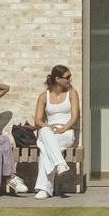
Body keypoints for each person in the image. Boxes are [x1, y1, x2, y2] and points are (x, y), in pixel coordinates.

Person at [34, 65, 81, 197]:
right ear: (57, 79)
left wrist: (62, 129)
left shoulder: (72, 94)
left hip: (66, 132)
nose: (70, 80)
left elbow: (74, 117)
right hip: (50, 131)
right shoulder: (44, 96)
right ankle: (60, 164)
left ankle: (44, 189)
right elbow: (37, 121)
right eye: (67, 77)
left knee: (45, 148)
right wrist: (49, 127)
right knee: (44, 132)